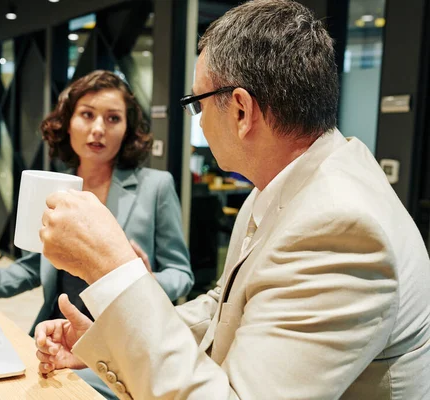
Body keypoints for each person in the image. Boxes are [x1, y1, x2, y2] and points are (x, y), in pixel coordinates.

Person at [33, 1, 430, 399]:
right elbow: (221, 308)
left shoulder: (338, 226)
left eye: (197, 104)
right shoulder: (282, 184)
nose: (201, 121)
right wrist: (112, 335)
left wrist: (111, 268)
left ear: (241, 110)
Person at [0, 70, 193, 398]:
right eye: (87, 115)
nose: (97, 129)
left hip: (118, 344)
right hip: (55, 334)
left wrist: (144, 283)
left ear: (127, 129)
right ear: (67, 121)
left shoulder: (155, 186)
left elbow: (182, 275)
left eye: (113, 118)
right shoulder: (52, 188)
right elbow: (33, 267)